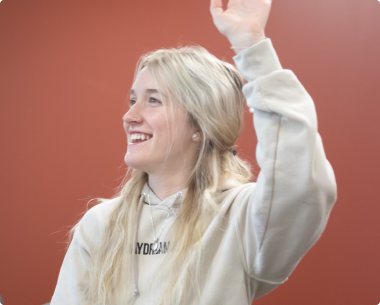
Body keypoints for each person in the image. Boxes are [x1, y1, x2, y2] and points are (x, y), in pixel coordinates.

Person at [51, 0, 337, 304]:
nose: (130, 116)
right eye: (133, 100)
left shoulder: (240, 218)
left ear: (200, 124)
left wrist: (252, 48)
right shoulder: (100, 223)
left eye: (153, 100)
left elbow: (300, 182)